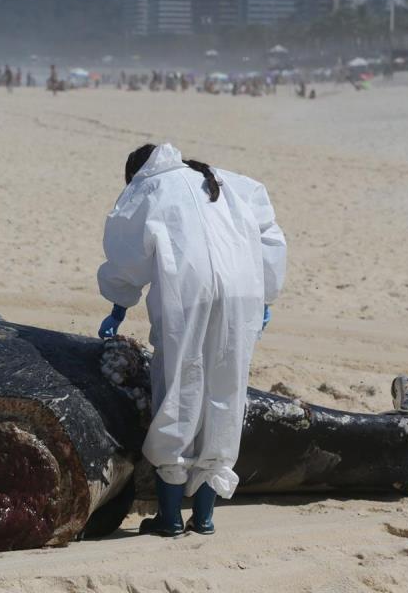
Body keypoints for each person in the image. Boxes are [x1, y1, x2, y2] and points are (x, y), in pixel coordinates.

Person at [96, 143, 286, 537]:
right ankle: (204, 517)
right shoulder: (225, 180)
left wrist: (119, 303)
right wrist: (266, 294)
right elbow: (269, 233)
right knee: (226, 389)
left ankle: (170, 518)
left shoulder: (147, 187)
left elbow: (126, 254)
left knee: (181, 387)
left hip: (189, 293)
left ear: (134, 172)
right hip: (241, 293)